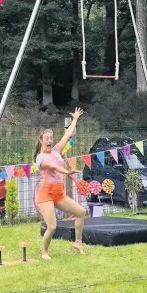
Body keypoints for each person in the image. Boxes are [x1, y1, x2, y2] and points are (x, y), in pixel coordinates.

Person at [34, 107, 86, 260]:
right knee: (52, 226)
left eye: (51, 138)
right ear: (41, 141)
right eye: (47, 138)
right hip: (46, 195)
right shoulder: (40, 158)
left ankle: (77, 242)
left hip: (59, 194)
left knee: (81, 212)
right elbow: (54, 167)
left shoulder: (57, 150)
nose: (50, 140)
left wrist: (75, 119)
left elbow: (68, 134)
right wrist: (67, 172)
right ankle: (44, 252)